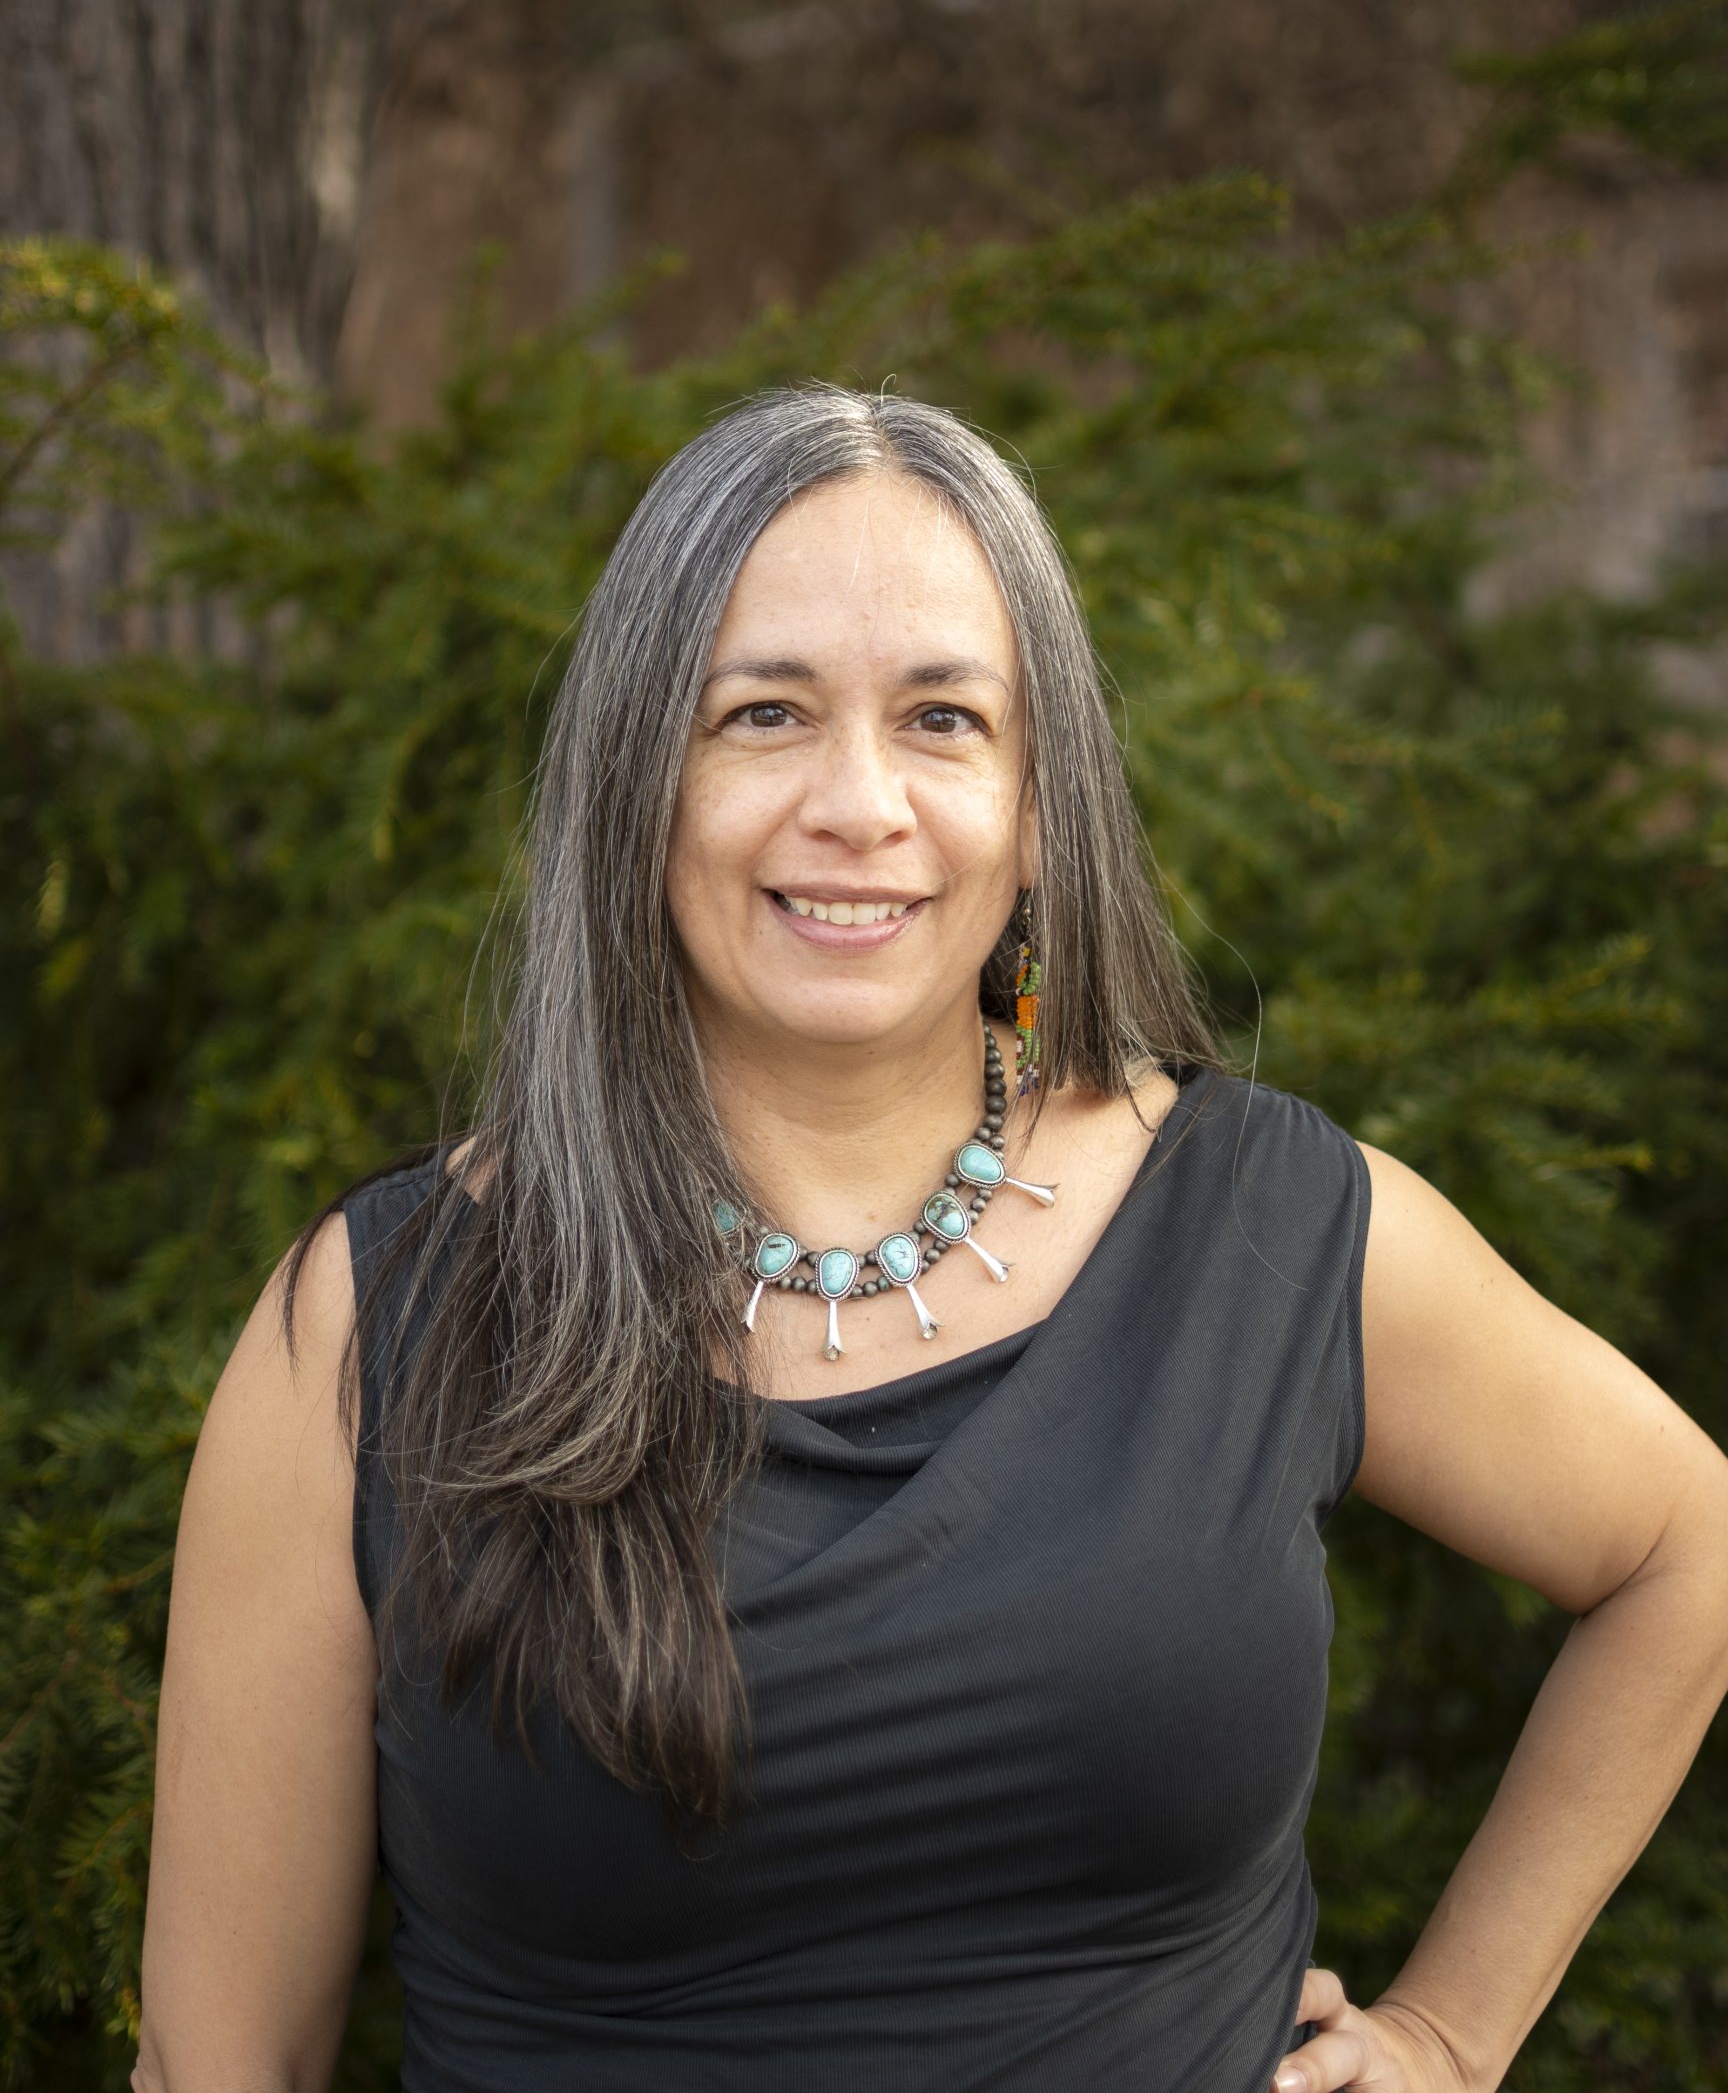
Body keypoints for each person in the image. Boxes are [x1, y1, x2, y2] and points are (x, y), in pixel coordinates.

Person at [132, 383, 1728, 2093]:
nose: (861, 804)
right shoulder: (375, 1335)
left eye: (946, 720)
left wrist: (1450, 2034)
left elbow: (1681, 1546)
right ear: (634, 783)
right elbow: (221, 2062)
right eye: (762, 714)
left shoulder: (1268, 1237)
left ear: (1043, 805)